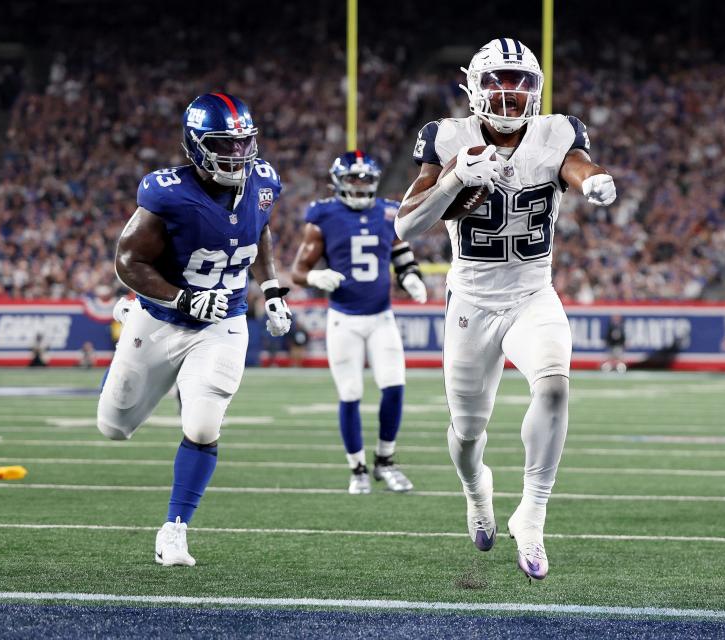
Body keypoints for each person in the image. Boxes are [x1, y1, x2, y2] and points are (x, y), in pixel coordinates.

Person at [394, 38, 616, 580]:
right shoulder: (448, 138)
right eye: (499, 82)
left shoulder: (557, 131)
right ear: (474, 87)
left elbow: (576, 165)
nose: (511, 94)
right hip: (471, 301)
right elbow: (404, 225)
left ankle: (533, 514)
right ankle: (477, 492)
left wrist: (594, 183)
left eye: (521, 83)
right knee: (469, 431)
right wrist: (453, 179)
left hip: (531, 293)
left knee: (555, 384)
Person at [95, 92, 291, 567]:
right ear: (197, 145)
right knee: (113, 427)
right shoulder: (168, 193)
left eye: (245, 144)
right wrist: (181, 296)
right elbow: (128, 260)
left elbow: (258, 229)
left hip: (223, 321)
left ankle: (174, 529)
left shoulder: (263, 181)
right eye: (225, 145)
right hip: (162, 319)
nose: (239, 155)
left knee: (203, 424)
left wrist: (272, 288)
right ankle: (132, 315)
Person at [292, 151, 428, 494]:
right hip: (344, 319)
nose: (360, 184)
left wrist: (410, 275)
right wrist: (315, 278)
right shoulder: (323, 215)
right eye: (353, 178)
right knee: (350, 392)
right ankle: (357, 468)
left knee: (394, 386)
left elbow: (400, 250)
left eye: (366, 178)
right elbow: (298, 270)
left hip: (381, 317)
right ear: (339, 182)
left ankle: (385, 461)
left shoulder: (388, 211)